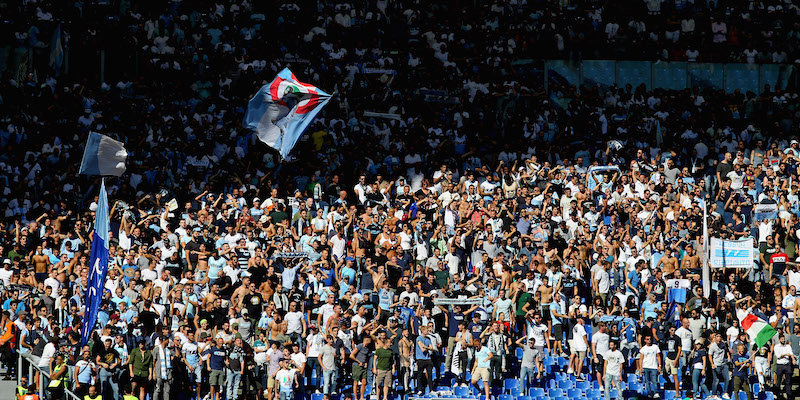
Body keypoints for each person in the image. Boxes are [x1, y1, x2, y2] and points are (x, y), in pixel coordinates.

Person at [774, 334, 795, 400]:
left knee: (788, 381)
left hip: (787, 364)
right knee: (779, 381)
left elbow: (791, 353)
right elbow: (778, 356)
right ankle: (778, 395)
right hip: (780, 365)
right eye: (782, 339)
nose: (783, 340)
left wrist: (793, 359)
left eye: (784, 339)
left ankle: (789, 395)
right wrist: (786, 354)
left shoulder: (788, 346)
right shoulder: (776, 347)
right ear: (779, 340)